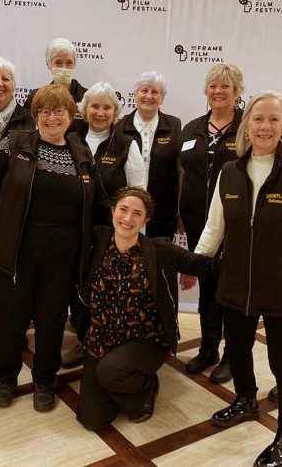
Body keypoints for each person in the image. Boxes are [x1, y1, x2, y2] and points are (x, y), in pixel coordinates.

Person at [196, 91, 282, 467]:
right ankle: (245, 399)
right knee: (236, 349)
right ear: (247, 125)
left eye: (274, 119)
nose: (265, 126)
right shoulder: (230, 171)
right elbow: (214, 228)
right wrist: (192, 265)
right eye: (258, 118)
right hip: (236, 283)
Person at [0, 84, 109, 413]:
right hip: (17, 247)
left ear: (71, 115)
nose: (51, 117)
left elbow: (100, 205)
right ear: (35, 116)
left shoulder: (82, 154)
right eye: (43, 111)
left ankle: (44, 380)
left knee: (51, 319)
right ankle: (5, 379)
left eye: (58, 110)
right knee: (10, 319)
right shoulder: (13, 143)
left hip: (64, 254)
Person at [76, 187, 216, 430]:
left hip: (145, 340)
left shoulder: (161, 250)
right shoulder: (97, 242)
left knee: (110, 371)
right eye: (123, 210)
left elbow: (205, 265)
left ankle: (146, 387)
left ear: (146, 219)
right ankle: (118, 381)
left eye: (137, 214)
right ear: (112, 210)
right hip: (101, 338)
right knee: (91, 418)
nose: (128, 219)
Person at [61, 81, 145, 369]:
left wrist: (135, 235)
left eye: (106, 107)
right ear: (84, 109)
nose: (100, 112)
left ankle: (105, 340)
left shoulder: (126, 144)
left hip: (111, 233)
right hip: (72, 228)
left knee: (105, 287)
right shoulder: (69, 137)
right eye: (94, 106)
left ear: (115, 111)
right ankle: (84, 337)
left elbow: (138, 191)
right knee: (77, 284)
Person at [178, 63, 245, 383]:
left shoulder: (249, 127)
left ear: (237, 92)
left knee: (231, 290)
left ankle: (233, 355)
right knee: (208, 286)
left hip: (236, 223)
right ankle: (208, 347)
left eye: (225, 87)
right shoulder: (192, 128)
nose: (218, 92)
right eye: (212, 86)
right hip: (196, 221)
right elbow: (182, 175)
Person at [115, 72, 181, 238]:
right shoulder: (119, 126)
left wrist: (179, 211)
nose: (149, 96)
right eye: (144, 91)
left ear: (162, 98)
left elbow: (180, 172)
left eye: (155, 92)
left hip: (162, 214)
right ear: (135, 94)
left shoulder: (175, 125)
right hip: (125, 214)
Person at [22, 37, 87, 128]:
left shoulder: (87, 98)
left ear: (75, 64)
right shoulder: (36, 97)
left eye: (69, 62)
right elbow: (26, 133)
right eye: (58, 63)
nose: (64, 68)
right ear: (48, 64)